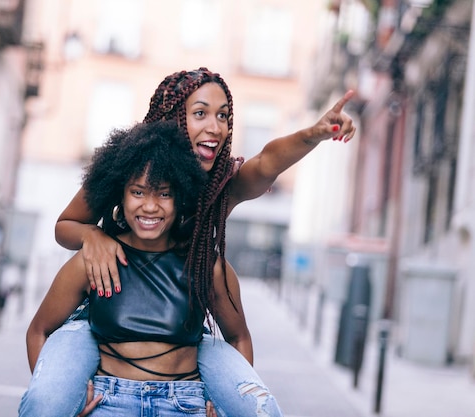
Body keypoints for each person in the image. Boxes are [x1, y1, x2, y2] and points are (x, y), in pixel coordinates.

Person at [21, 67, 355, 416]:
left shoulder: (220, 186)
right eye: (201, 113)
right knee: (47, 401)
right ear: (172, 119)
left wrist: (314, 134)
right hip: (107, 316)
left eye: (223, 115)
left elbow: (267, 163)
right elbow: (65, 226)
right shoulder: (125, 165)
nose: (216, 127)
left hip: (184, 326)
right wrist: (93, 236)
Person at [24, 120, 250, 416]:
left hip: (185, 405)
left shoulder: (207, 266)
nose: (150, 207)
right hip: (107, 403)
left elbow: (238, 338)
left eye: (164, 194)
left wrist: (229, 404)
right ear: (121, 194)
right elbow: (39, 331)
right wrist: (62, 400)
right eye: (138, 192)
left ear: (180, 197)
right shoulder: (93, 259)